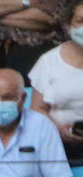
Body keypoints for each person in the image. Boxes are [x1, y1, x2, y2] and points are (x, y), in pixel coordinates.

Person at [28, 0, 83, 161]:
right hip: (57, 144)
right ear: (69, 26)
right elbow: (38, 109)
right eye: (80, 21)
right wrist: (59, 130)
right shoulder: (48, 61)